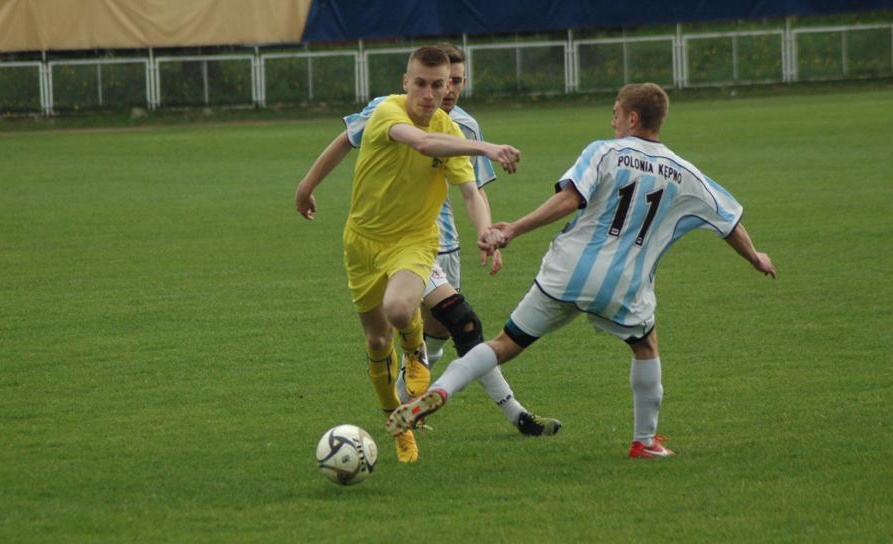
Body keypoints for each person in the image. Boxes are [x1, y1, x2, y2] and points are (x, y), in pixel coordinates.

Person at [387, 82, 777, 459]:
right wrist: (755, 257)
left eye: (616, 113)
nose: (612, 121)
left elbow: (570, 199)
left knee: (503, 345)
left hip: (567, 271)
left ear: (633, 118)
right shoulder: (684, 171)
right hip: (624, 284)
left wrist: (514, 229)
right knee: (645, 347)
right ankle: (644, 442)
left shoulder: (604, 152)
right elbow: (729, 220)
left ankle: (441, 390)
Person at [295, 43, 561, 441]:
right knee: (445, 327)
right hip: (379, 242)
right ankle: (501, 412)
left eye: (451, 83)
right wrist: (307, 186)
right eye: (428, 83)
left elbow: (473, 190)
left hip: (432, 246)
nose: (440, 92)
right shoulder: (387, 109)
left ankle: (412, 407)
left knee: (445, 335)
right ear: (408, 82)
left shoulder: (463, 127)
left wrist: (485, 232)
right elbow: (381, 141)